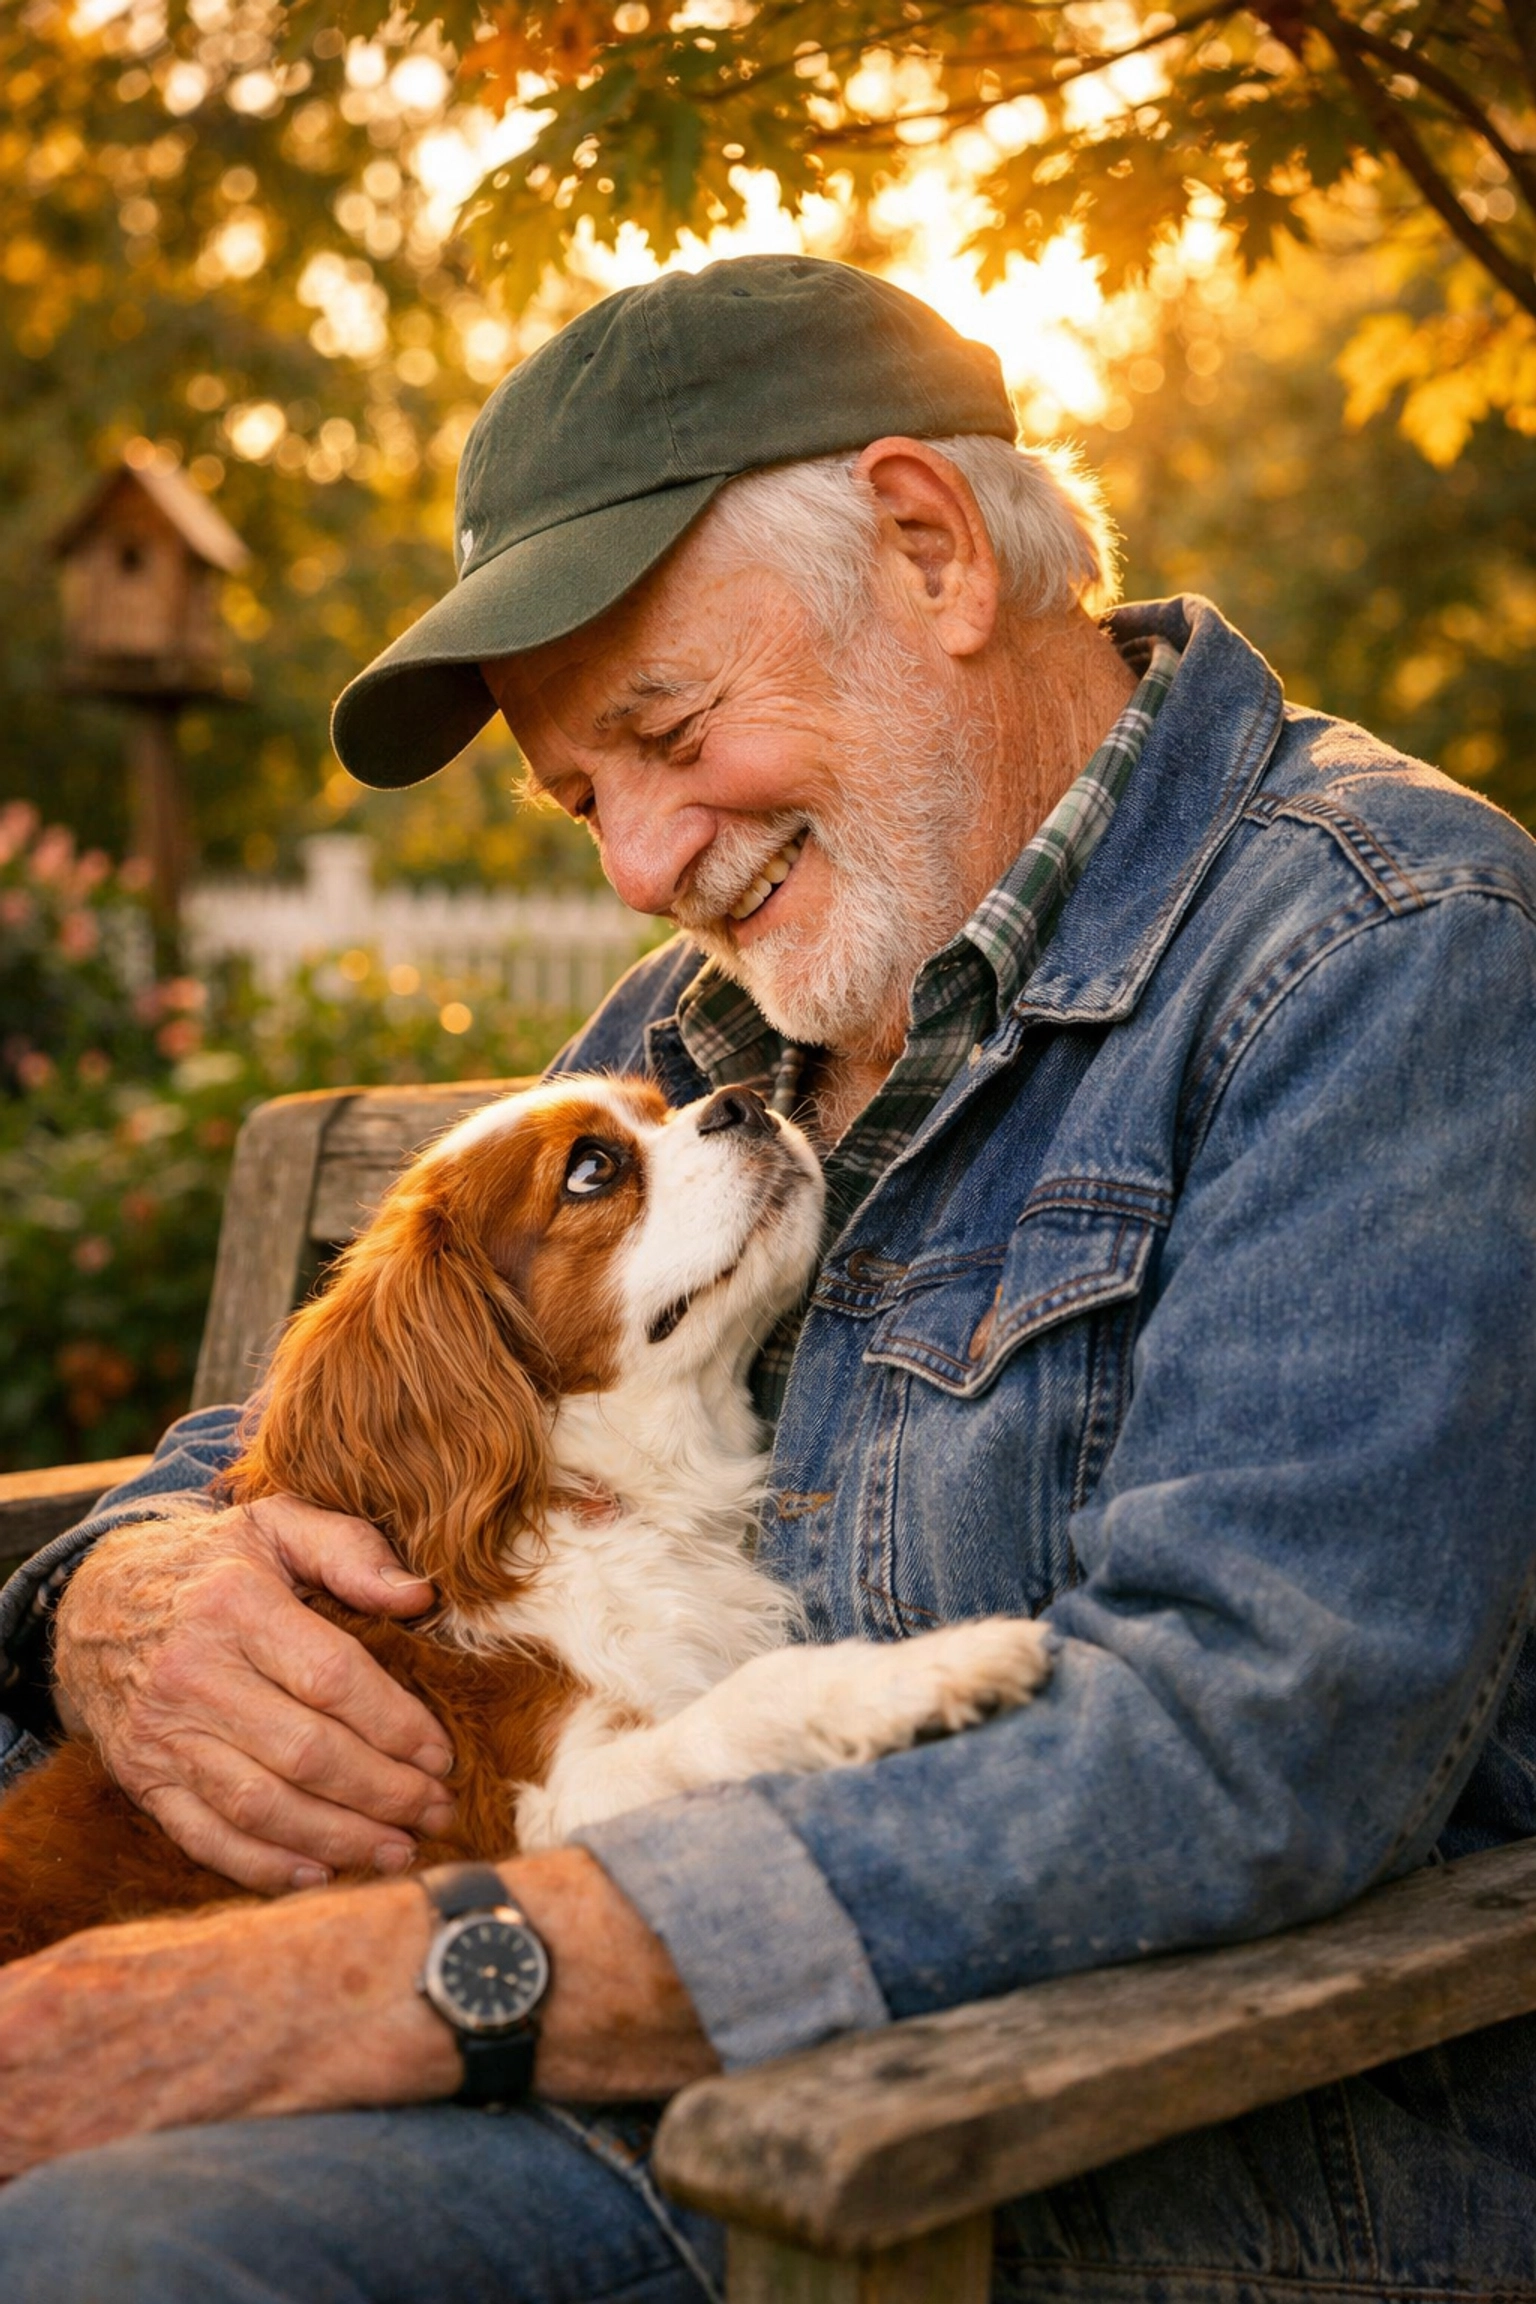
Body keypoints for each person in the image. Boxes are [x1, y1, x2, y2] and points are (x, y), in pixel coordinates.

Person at [1, 254, 1534, 2304]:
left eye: (667, 730)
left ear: (927, 549)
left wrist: (409, 1976)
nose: (638, 869)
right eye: (582, 799)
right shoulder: (721, 1011)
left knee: (111, 2262)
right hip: (568, 2062)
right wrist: (122, 1589)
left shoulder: (1385, 952)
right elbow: (298, 1436)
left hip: (1022, 2153)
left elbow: (1245, 1746)